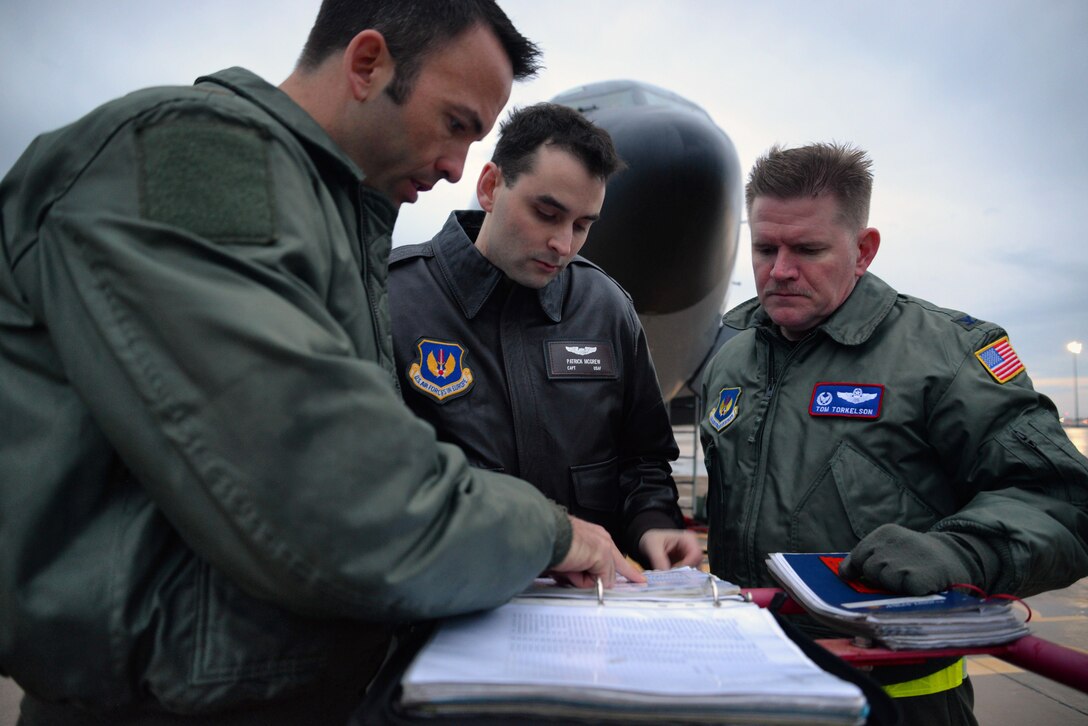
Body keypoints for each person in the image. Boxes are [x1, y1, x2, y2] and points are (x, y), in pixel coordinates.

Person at [0, 2, 643, 724]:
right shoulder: (197, 158)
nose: (458, 166)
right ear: (367, 64)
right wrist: (551, 530)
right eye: (456, 123)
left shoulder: (331, 215)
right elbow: (342, 498)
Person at [699, 142, 1088, 725]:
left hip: (902, 701)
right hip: (752, 688)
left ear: (863, 250)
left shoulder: (944, 355)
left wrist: (960, 552)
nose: (779, 270)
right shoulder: (731, 354)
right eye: (764, 247)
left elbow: (1061, 501)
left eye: (807, 249)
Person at [388, 103, 702, 570]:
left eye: (582, 225)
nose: (563, 244)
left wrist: (652, 522)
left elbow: (643, 461)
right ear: (491, 186)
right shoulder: (395, 300)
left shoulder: (606, 308)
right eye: (546, 213)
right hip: (443, 608)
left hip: (588, 614)